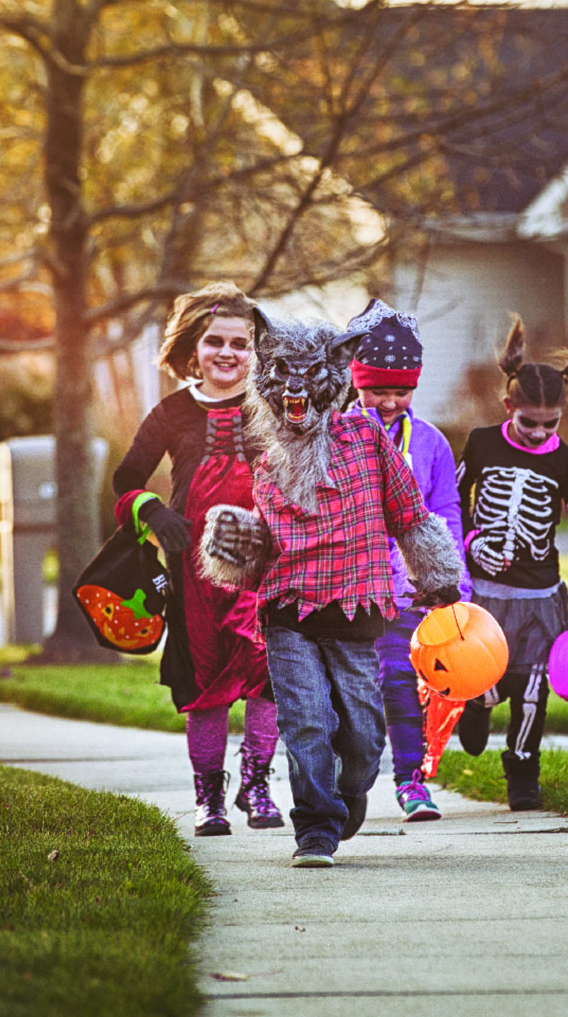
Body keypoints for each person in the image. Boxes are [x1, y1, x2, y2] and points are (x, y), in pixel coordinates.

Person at [197, 308, 464, 867]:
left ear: (332, 379)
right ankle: (315, 830)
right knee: (307, 722)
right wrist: (234, 544)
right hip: (288, 611)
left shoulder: (365, 435)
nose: (295, 393)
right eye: (283, 379)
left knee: (364, 740)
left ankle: (347, 795)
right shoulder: (265, 452)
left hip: (358, 608)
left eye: (307, 379)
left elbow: (410, 513)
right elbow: (265, 537)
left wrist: (439, 578)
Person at [112, 281, 283, 837]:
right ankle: (208, 796)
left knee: (266, 676)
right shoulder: (172, 412)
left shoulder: (273, 405)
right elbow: (125, 479)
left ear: (256, 351)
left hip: (265, 562)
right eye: (216, 342)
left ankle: (256, 783)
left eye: (241, 343)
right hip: (193, 571)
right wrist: (151, 511)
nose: (228, 353)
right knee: (203, 683)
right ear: (194, 348)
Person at [454, 315, 568, 810]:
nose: (539, 433)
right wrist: (470, 543)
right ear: (508, 407)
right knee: (487, 678)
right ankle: (476, 705)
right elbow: (452, 502)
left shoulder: (564, 460)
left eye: (551, 424)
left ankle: (522, 768)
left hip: (540, 595)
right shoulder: (481, 443)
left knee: (532, 687)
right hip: (486, 593)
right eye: (529, 423)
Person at [345, 299, 471, 822]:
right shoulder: (336, 434)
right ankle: (345, 784)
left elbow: (445, 514)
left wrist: (452, 586)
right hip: (346, 591)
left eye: (400, 390)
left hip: (406, 594)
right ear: (356, 383)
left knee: (400, 682)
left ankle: (410, 782)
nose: (390, 402)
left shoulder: (431, 444)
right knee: (348, 699)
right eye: (378, 390)